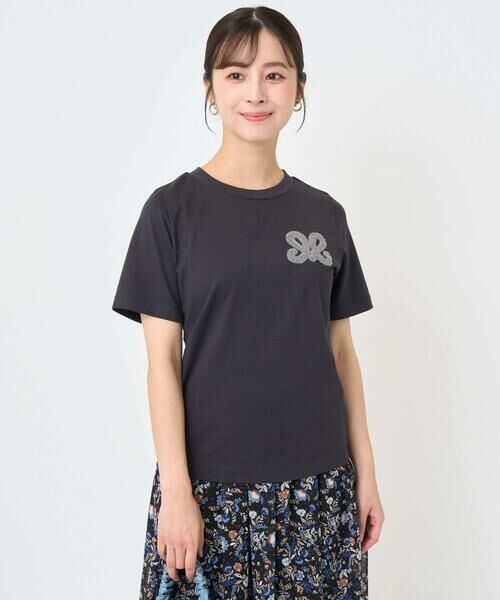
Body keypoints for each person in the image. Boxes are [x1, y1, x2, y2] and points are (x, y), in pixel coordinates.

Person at [112, 6, 385, 599]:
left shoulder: (324, 215)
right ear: (209, 89)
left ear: (299, 88)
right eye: (235, 74)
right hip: (210, 493)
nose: (256, 92)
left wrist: (365, 473)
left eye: (274, 74)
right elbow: (162, 363)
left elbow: (341, 352)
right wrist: (177, 493)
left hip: (320, 492)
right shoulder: (171, 212)